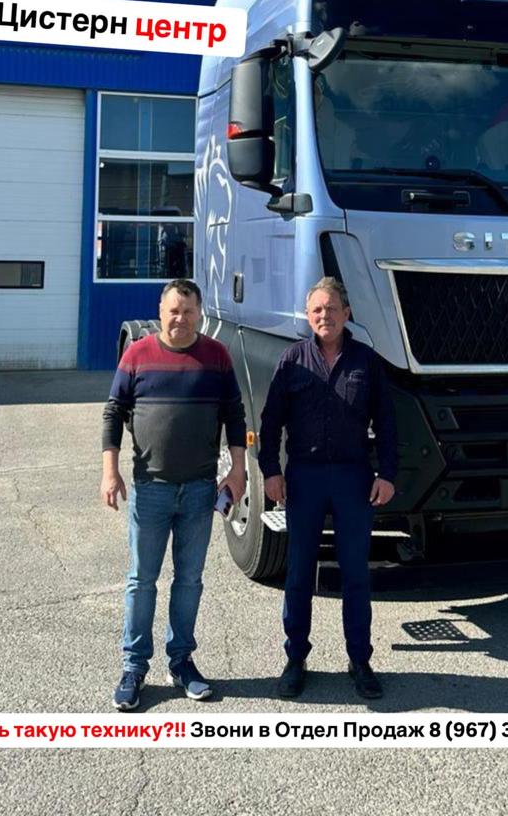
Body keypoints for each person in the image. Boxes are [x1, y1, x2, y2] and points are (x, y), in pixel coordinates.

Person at [101, 278, 246, 710]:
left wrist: (238, 470)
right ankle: (133, 668)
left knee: (189, 581)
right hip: (151, 489)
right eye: (173, 311)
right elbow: (113, 412)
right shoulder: (137, 354)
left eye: (188, 311)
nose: (180, 318)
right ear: (160, 313)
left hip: (200, 490)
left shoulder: (216, 356)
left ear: (199, 314)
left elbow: (235, 415)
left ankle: (181, 662)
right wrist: (110, 471)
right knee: (141, 581)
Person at [259, 276, 398, 701]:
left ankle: (360, 660)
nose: (325, 316)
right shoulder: (292, 360)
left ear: (346, 313)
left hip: (354, 478)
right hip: (305, 477)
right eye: (317, 310)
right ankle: (295, 658)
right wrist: (271, 471)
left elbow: (388, 422)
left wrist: (387, 473)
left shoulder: (366, 361)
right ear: (308, 316)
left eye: (332, 309)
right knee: (299, 572)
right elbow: (270, 422)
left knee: (355, 573)